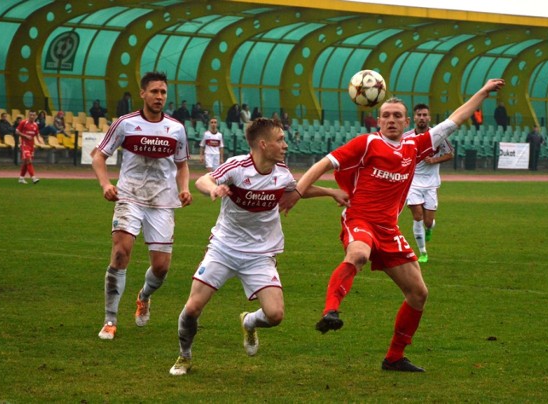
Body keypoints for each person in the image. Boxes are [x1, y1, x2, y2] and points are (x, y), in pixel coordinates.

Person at [279, 79, 505, 372]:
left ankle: (395, 357)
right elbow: (323, 164)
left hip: (389, 229)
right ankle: (331, 311)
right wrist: (297, 191)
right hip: (359, 219)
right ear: (378, 119)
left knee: (419, 293)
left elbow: (455, 119)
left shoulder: (416, 145)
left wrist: (483, 93)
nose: (391, 120)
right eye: (386, 115)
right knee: (358, 254)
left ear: (407, 121)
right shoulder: (367, 143)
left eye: (397, 115)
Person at [169, 118, 348, 375]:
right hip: (224, 249)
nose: (285, 145)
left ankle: (249, 321)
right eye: (280, 140)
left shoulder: (281, 173)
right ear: (263, 144)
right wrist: (213, 188)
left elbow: (297, 189)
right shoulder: (237, 167)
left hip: (261, 254)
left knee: (275, 315)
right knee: (193, 307)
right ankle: (184, 356)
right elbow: (204, 179)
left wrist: (331, 192)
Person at [92, 71, 193, 341]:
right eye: (154, 92)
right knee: (120, 254)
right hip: (129, 196)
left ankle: (144, 296)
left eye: (163, 92)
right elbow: (98, 156)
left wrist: (184, 188)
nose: (159, 97)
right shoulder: (125, 124)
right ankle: (110, 320)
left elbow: (182, 165)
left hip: (162, 202)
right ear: (143, 94)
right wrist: (106, 185)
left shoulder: (176, 129)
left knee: (161, 268)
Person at [404, 103, 454, 263]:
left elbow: (450, 154)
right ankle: (423, 252)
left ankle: (429, 228)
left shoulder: (437, 136)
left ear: (429, 117)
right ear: (413, 118)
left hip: (431, 183)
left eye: (425, 115)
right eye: (419, 115)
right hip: (412, 182)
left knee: (428, 221)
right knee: (417, 216)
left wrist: (434, 160)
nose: (422, 118)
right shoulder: (406, 137)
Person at [16, 110, 45, 184]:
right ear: (28, 115)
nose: (32, 116)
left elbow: (37, 134)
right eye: (31, 115)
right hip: (24, 144)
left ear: (35, 116)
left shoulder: (35, 125)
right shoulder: (24, 122)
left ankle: (21, 178)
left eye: (33, 115)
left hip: (31, 146)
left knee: (26, 162)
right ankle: (33, 178)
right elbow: (17, 131)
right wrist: (26, 136)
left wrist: (40, 140)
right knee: (29, 160)